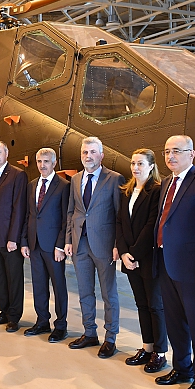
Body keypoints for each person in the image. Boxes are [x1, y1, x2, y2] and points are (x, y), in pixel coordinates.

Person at [154, 135, 195, 389]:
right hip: (166, 263)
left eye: (177, 151)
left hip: (192, 269)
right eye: (167, 151)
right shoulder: (166, 182)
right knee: (174, 322)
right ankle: (182, 368)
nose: (171, 156)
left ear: (191, 154)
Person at [64, 136, 125, 358]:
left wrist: (117, 245)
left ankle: (110, 338)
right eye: (84, 152)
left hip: (104, 245)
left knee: (109, 294)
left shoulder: (114, 179)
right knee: (84, 292)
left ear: (101, 155)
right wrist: (68, 240)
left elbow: (119, 215)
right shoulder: (75, 179)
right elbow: (72, 212)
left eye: (92, 152)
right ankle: (90, 332)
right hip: (80, 245)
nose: (88, 156)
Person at [116, 148, 167, 373]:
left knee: (155, 306)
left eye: (140, 164)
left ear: (151, 166)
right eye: (133, 163)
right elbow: (120, 222)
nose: (135, 168)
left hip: (147, 258)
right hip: (129, 258)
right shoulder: (126, 191)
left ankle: (160, 352)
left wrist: (134, 254)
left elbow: (151, 225)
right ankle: (147, 347)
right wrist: (123, 252)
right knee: (141, 304)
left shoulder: (156, 190)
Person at [20, 148, 70, 343]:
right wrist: (25, 241)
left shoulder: (63, 186)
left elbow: (66, 219)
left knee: (59, 286)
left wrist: (60, 246)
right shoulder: (32, 185)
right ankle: (42, 321)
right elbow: (28, 215)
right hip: (34, 244)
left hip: (53, 246)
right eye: (39, 161)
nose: (42, 165)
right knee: (39, 285)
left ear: (54, 163)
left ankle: (61, 326)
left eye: (46, 161)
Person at [0, 141, 27, 332]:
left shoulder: (17, 175)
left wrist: (14, 238)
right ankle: (4, 312)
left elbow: (19, 208)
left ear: (6, 154)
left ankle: (14, 317)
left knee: (13, 278)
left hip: (9, 238)